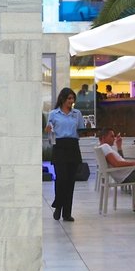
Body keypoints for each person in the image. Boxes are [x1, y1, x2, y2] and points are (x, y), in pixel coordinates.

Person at [45, 87, 85, 222]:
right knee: (61, 179)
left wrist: (87, 131)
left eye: (73, 98)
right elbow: (50, 133)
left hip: (73, 146)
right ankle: (58, 206)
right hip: (59, 147)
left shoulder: (77, 114)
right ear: (62, 99)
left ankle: (67, 213)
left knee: (70, 181)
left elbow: (81, 131)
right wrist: (48, 131)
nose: (71, 101)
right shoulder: (53, 114)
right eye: (69, 98)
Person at [97, 127, 135, 212]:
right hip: (127, 176)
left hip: (125, 174)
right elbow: (116, 164)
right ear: (103, 138)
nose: (114, 138)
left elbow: (121, 161)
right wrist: (133, 163)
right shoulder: (105, 146)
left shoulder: (103, 147)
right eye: (112, 136)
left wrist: (119, 147)